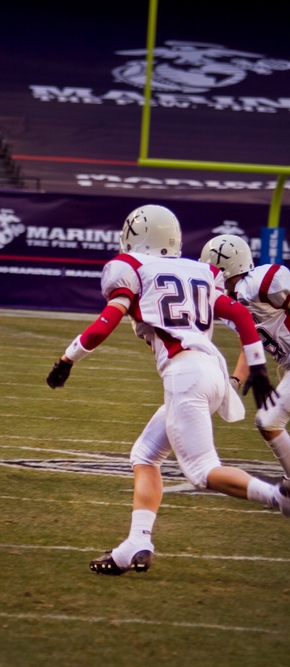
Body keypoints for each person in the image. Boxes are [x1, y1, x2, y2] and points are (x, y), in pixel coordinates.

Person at [45, 204, 290, 576]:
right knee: (144, 454)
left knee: (203, 472)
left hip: (185, 375)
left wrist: (67, 358)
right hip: (211, 371)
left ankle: (278, 498)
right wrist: (255, 367)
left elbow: (105, 321)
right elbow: (241, 317)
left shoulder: (132, 269)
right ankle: (136, 544)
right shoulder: (199, 271)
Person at [200, 233, 290, 481]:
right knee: (268, 423)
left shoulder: (259, 283)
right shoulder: (231, 305)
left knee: (269, 421)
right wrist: (234, 382)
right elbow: (248, 345)